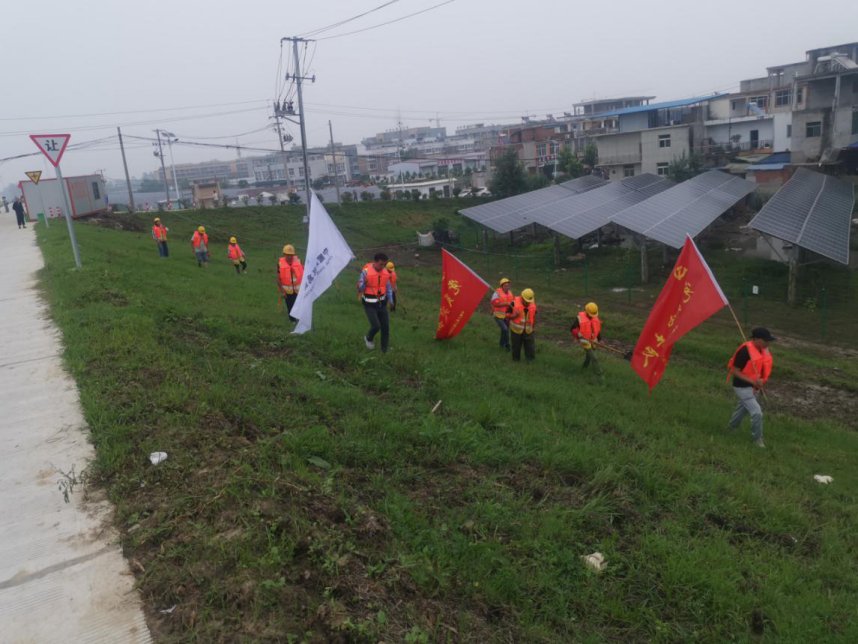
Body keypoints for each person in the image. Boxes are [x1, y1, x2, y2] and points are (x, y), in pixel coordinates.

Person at [727, 327, 776, 448]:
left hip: (754, 387)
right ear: (757, 340)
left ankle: (730, 428)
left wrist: (759, 382)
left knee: (742, 409)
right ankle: (757, 440)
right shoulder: (744, 352)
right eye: (766, 341)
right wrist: (753, 381)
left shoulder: (762, 349)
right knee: (757, 413)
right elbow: (734, 371)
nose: (768, 343)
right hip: (742, 387)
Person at [358, 252, 391, 353]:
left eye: (384, 264)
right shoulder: (366, 272)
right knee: (376, 326)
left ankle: (384, 350)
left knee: (386, 327)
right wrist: (364, 284)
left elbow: (388, 287)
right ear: (375, 262)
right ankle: (368, 338)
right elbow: (359, 287)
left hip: (382, 304)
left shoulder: (385, 273)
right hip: (369, 304)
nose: (383, 267)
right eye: (381, 264)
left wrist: (391, 300)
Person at [570, 302, 603, 376]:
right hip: (585, 341)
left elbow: (597, 329)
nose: (592, 316)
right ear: (586, 311)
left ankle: (583, 368)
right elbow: (572, 329)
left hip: (593, 340)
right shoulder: (580, 318)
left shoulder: (595, 317)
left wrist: (599, 339)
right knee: (594, 358)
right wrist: (577, 333)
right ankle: (600, 374)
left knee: (588, 357)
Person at [508, 288, 537, 362]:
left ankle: (530, 362)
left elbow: (534, 316)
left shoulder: (532, 304)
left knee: (530, 347)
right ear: (522, 297)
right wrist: (514, 315)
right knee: (516, 347)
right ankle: (516, 361)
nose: (528, 303)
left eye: (529, 301)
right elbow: (506, 315)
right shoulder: (513, 303)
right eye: (526, 301)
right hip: (516, 331)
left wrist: (533, 327)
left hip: (529, 330)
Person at [277, 244, 303, 321]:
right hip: (287, 291)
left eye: (291, 255)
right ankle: (292, 322)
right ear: (284, 254)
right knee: (290, 306)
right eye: (287, 255)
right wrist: (282, 291)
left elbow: (304, 274)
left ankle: (299, 320)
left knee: (298, 306)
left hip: (299, 290)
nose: (289, 256)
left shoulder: (299, 262)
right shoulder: (280, 264)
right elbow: (278, 279)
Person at [490, 277, 514, 351]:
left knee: (504, 331)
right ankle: (507, 345)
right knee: (505, 329)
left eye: (508, 285)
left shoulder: (510, 293)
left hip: (506, 316)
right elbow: (494, 303)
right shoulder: (497, 293)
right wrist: (506, 304)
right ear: (502, 286)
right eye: (505, 285)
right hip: (498, 315)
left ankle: (501, 344)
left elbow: (513, 302)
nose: (507, 287)